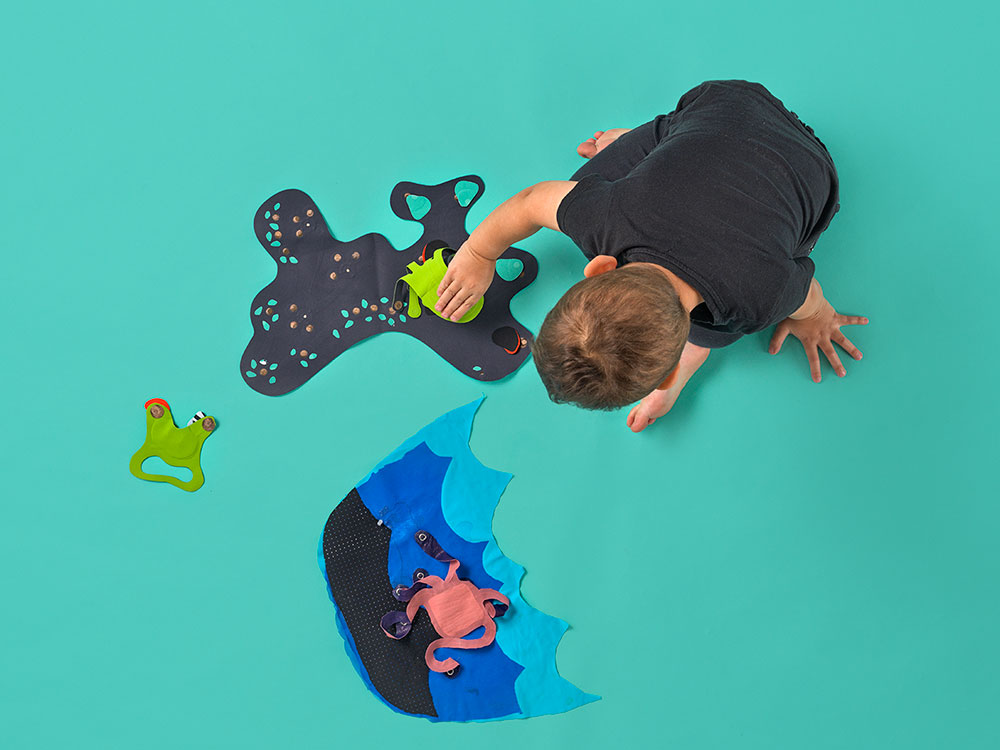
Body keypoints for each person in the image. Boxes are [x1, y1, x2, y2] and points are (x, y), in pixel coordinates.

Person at [434, 80, 868, 432]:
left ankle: (647, 147)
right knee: (583, 186)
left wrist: (816, 318)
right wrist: (479, 252)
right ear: (597, 269)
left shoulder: (758, 297)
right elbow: (533, 201)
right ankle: (633, 143)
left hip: (813, 168)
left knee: (724, 321)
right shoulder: (605, 217)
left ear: (603, 266)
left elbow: (805, 293)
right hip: (731, 104)